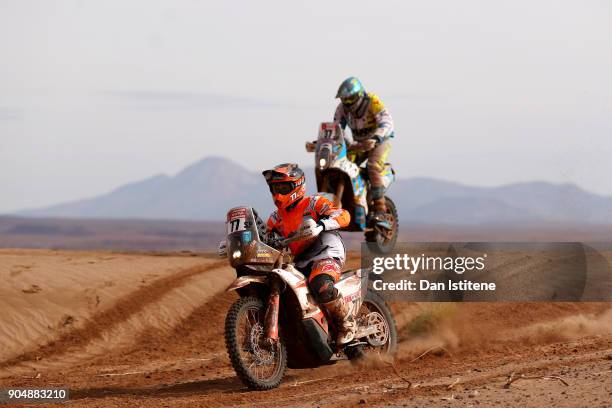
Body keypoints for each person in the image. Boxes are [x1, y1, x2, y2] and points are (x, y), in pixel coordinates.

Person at [262, 163, 356, 345]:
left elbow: (344, 215)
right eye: (275, 188)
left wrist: (322, 224)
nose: (278, 192)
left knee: (320, 284)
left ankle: (347, 323)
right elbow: (266, 238)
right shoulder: (275, 218)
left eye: (283, 187)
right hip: (300, 262)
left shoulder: (313, 203)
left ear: (297, 186)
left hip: (326, 251)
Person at [334, 77, 394, 227]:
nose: (348, 103)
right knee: (340, 166)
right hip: (358, 144)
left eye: (351, 99)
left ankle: (380, 211)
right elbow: (336, 129)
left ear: (360, 95)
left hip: (379, 141)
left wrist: (376, 137)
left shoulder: (372, 101)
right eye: (345, 99)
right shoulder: (341, 109)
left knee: (373, 165)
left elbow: (387, 121)